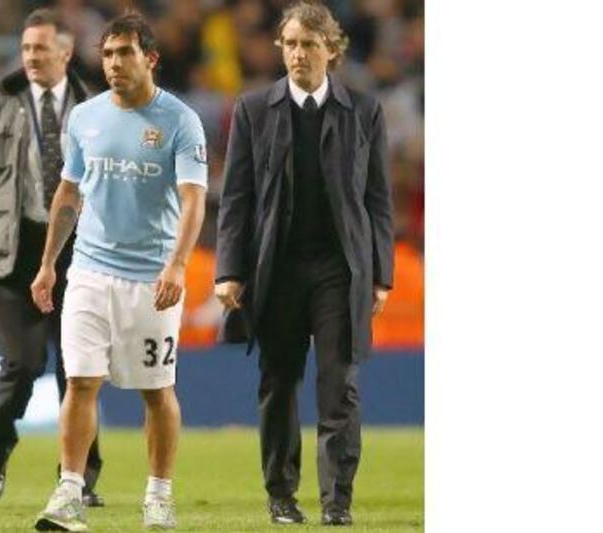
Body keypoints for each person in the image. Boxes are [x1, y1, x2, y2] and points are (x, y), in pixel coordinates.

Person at [215, 1, 394, 527]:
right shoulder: (252, 111)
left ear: (331, 51)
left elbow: (378, 199)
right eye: (290, 43)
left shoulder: (365, 110)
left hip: (341, 268)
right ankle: (281, 496)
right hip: (277, 267)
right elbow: (237, 199)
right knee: (278, 382)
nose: (297, 53)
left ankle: (337, 501)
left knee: (339, 385)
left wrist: (382, 273)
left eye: (309, 44)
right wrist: (229, 269)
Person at [30, 12, 208, 532]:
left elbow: (194, 199)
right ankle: (69, 492)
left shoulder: (179, 121)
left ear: (149, 58)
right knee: (80, 383)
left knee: (156, 391)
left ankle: (158, 496)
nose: (113, 64)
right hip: (88, 270)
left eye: (125, 53)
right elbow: (69, 192)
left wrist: (177, 263)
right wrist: (47, 265)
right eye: (107, 54)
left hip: (151, 279)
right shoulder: (84, 118)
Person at [0, 7, 104, 506]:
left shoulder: (97, 109)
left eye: (40, 48)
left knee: (79, 369)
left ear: (65, 52)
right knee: (22, 362)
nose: (31, 56)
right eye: (26, 48)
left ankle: (80, 477)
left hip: (80, 255)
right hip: (14, 254)